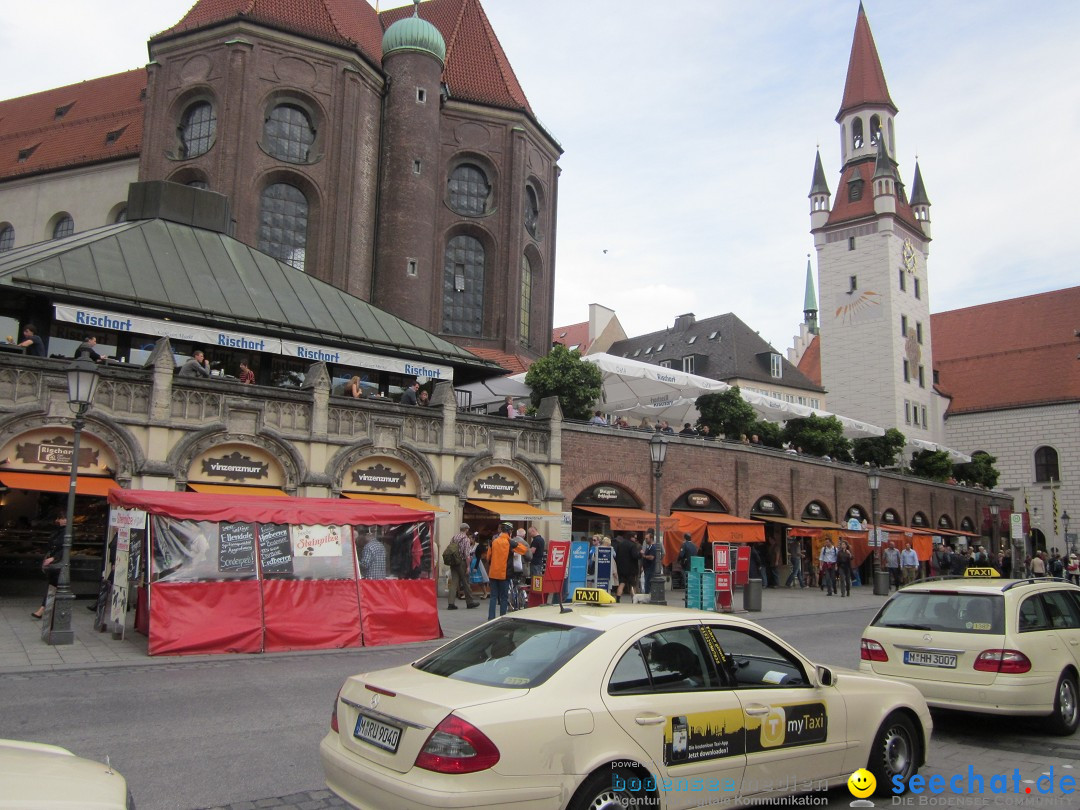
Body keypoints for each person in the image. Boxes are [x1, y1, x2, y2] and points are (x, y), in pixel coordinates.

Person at [487, 523, 527, 620]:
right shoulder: (509, 542)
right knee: (504, 597)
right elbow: (524, 550)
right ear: (509, 531)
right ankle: (502, 617)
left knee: (493, 596)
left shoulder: (494, 542)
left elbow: (488, 557)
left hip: (493, 573)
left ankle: (491, 618)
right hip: (504, 574)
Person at [31, 515, 67, 619]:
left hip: (60, 562)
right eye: (62, 518)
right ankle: (49, 609)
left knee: (53, 585)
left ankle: (43, 609)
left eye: (65, 518)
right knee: (53, 585)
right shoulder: (57, 531)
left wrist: (53, 558)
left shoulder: (68, 531)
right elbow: (51, 546)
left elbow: (65, 548)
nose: (64, 520)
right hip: (54, 561)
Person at [445, 523, 479, 610]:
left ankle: (451, 603)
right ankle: (470, 602)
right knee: (466, 582)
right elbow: (467, 554)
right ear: (466, 529)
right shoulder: (466, 539)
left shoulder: (454, 537)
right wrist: (468, 566)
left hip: (453, 562)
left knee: (454, 582)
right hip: (462, 562)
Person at [614, 534, 641, 602]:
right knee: (632, 584)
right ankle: (634, 599)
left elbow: (617, 556)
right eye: (635, 537)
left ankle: (618, 598)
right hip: (631, 569)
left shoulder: (620, 544)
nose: (635, 539)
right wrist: (640, 554)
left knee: (622, 583)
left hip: (621, 568)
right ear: (631, 537)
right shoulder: (632, 545)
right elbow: (635, 556)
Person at [641, 529, 657, 593]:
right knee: (646, 583)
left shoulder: (653, 547)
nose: (645, 540)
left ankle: (647, 596)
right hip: (647, 568)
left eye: (647, 538)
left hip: (650, 568)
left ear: (651, 539)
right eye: (645, 538)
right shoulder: (649, 547)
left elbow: (651, 557)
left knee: (648, 583)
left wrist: (644, 555)